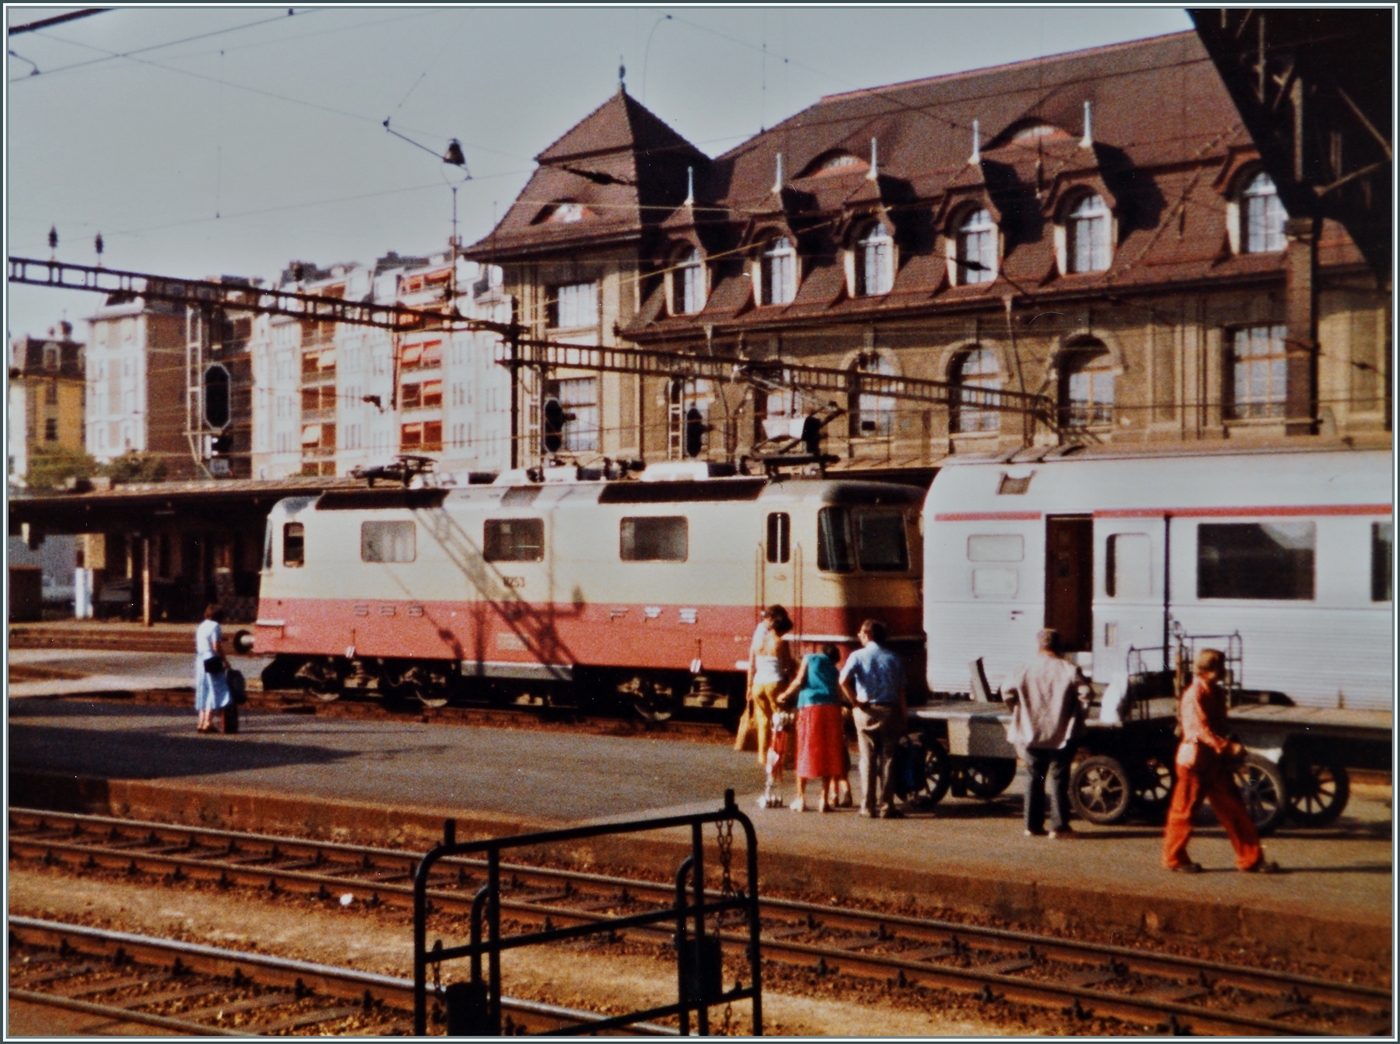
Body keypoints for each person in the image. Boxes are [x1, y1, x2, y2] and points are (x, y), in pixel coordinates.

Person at [1163, 648, 1280, 874]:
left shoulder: (1214, 692)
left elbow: (1216, 727)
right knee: (1184, 812)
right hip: (1195, 762)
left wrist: (1224, 746)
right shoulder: (1194, 694)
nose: (1225, 671)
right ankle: (1174, 858)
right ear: (1209, 670)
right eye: (1221, 667)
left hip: (1213, 762)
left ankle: (1251, 859)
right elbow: (1200, 730)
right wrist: (1227, 747)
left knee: (1235, 810)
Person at [1003, 629, 1093, 839]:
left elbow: (1006, 691)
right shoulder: (1069, 668)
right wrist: (1079, 714)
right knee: (1060, 778)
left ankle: (1031, 826)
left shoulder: (1023, 669)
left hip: (1031, 730)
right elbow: (1086, 693)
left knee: (1035, 777)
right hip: (1061, 732)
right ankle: (1059, 827)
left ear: (1039, 646)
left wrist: (1018, 710)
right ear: (1058, 645)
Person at [838, 619, 907, 819]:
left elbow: (843, 680)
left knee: (867, 758)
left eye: (860, 632)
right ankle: (887, 806)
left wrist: (855, 702)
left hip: (866, 712)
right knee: (888, 760)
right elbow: (902, 690)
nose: (858, 635)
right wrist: (903, 716)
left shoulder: (857, 656)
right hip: (889, 711)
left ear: (867, 635)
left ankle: (867, 807)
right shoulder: (893, 657)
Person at [778, 643, 848, 812]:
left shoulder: (809, 658)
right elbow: (838, 693)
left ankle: (800, 798)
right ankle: (823, 799)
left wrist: (784, 695)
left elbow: (799, 680)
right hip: (831, 710)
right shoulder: (834, 669)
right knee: (828, 753)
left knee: (804, 750)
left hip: (810, 708)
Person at [736, 605, 796, 771]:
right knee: (780, 721)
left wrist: (749, 686)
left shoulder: (758, 641)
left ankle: (762, 756)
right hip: (774, 683)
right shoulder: (781, 642)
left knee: (762, 721)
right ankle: (779, 757)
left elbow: (751, 663)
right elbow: (786, 665)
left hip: (758, 684)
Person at [194, 604, 231, 734]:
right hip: (211, 660)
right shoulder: (215, 626)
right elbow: (216, 647)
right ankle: (208, 723)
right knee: (213, 689)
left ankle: (201, 722)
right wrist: (225, 661)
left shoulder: (202, 625)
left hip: (200, 660)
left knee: (202, 689)